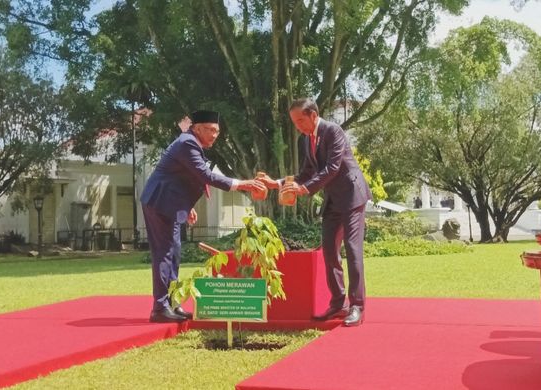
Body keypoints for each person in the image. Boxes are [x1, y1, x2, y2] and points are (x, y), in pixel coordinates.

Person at [140, 110, 265, 323]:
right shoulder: (187, 143)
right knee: (165, 253)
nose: (215, 135)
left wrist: (186, 207)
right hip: (160, 202)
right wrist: (242, 184)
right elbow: (205, 175)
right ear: (197, 128)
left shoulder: (190, 143)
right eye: (211, 130)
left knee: (174, 253)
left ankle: (172, 303)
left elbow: (184, 177)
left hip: (170, 202)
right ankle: (160, 308)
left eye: (217, 132)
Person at [258, 98, 372, 327]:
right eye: (294, 122)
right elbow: (306, 172)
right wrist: (277, 183)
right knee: (329, 249)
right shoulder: (304, 140)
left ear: (313, 115)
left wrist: (305, 189)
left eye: (300, 120)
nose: (298, 126)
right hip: (332, 200)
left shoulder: (333, 131)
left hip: (352, 196)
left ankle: (356, 306)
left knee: (352, 247)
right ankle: (338, 303)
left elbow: (333, 167)